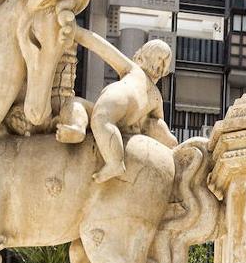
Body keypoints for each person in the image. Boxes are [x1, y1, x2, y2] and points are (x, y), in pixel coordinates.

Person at [72, 28, 177, 183]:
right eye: (159, 61)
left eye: (162, 64)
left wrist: (77, 32)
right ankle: (76, 127)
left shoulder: (133, 69)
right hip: (125, 112)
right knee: (81, 105)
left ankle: (115, 162)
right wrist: (172, 144)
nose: (159, 67)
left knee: (101, 119)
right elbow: (158, 126)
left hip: (119, 101)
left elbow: (102, 47)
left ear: (139, 58)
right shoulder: (156, 97)